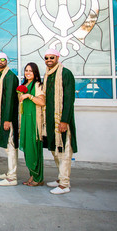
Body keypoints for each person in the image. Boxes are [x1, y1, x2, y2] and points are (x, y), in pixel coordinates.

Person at [43, 49, 77, 195]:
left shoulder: (65, 73)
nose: (49, 60)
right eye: (46, 58)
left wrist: (64, 121)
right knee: (55, 151)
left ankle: (64, 184)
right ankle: (60, 178)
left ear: (57, 57)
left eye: (52, 57)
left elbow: (69, 99)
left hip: (61, 121)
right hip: (49, 120)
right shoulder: (47, 75)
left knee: (64, 151)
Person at [0, 52, 20, 187]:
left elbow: (10, 99)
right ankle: (10, 172)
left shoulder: (10, 77)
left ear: (6, 61)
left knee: (10, 146)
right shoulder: (1, 75)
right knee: (8, 147)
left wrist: (7, 119)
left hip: (8, 118)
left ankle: (12, 177)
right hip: (4, 116)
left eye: (2, 60)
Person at [19, 62, 46, 186]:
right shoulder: (24, 85)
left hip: (34, 121)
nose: (28, 73)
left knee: (34, 149)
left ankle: (38, 177)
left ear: (35, 73)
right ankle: (31, 175)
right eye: (26, 70)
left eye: (30, 71)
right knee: (27, 149)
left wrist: (29, 96)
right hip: (25, 119)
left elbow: (41, 102)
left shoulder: (37, 85)